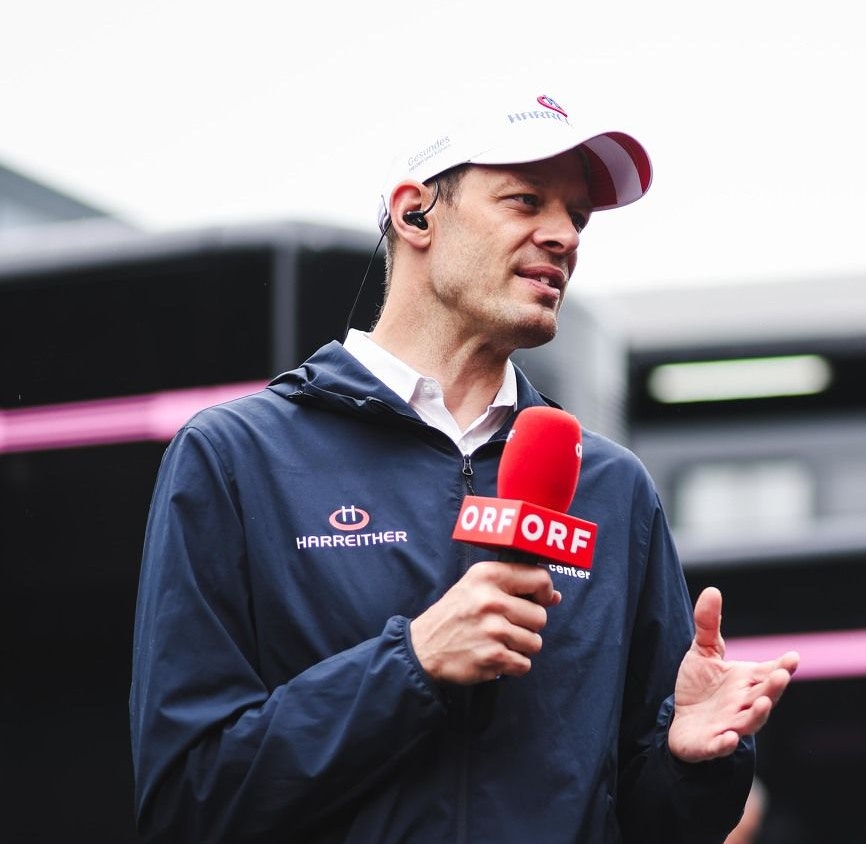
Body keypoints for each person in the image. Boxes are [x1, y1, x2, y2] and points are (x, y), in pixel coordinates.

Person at [130, 92, 798, 843]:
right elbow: (187, 802)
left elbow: (651, 823)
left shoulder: (614, 489)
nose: (563, 236)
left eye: (576, 217)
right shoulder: (236, 458)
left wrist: (691, 763)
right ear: (416, 214)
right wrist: (410, 665)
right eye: (526, 201)